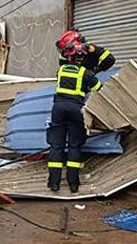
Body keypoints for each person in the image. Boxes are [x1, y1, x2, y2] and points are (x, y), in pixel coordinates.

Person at [47, 41, 102, 193]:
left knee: (56, 146)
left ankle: (54, 183)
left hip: (58, 109)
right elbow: (99, 88)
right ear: (82, 58)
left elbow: (61, 57)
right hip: (76, 110)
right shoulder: (86, 73)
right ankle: (73, 184)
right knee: (74, 146)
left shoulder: (61, 70)